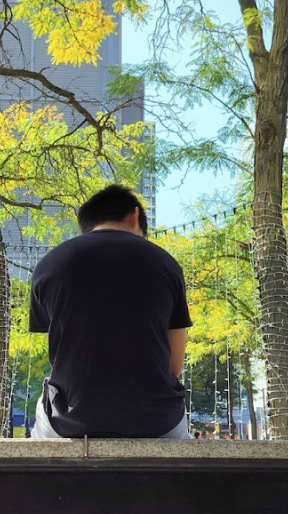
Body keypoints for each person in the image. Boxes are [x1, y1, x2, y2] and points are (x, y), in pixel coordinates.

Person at [28, 185, 193, 439]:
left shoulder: (49, 265)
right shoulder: (166, 264)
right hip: (158, 422)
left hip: (70, 423)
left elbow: (58, 357)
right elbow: (174, 365)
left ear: (87, 224)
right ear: (135, 216)